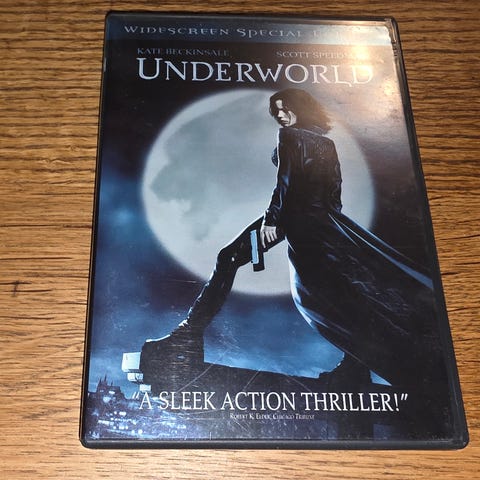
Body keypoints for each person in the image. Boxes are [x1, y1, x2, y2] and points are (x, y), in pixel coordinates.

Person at [157, 88, 445, 392]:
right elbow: (334, 190)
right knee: (340, 292)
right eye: (276, 111)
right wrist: (328, 223)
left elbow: (286, 180)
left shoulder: (289, 135)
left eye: (285, 108)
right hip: (324, 220)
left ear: (300, 107)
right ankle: (355, 367)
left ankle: (187, 338)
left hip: (291, 217)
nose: (280, 115)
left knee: (228, 258)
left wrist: (272, 219)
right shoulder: (327, 143)